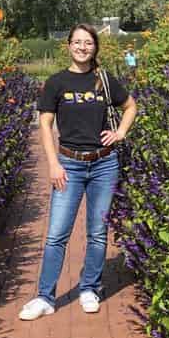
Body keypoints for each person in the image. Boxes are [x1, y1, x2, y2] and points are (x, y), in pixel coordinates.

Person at [20, 23, 137, 320]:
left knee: (97, 233)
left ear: (95, 47)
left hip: (103, 164)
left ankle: (90, 289)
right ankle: (45, 297)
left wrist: (120, 133)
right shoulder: (57, 82)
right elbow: (45, 125)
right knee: (57, 233)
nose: (83, 47)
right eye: (77, 42)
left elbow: (130, 106)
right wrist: (53, 163)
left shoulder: (104, 81)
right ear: (69, 45)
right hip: (68, 165)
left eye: (88, 43)